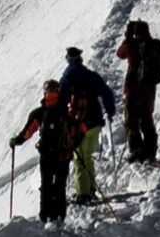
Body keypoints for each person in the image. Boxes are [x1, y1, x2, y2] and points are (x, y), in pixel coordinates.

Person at [8, 80, 75, 223]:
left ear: (45, 93)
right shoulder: (64, 111)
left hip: (47, 156)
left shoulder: (39, 113)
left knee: (46, 186)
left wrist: (16, 141)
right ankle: (60, 216)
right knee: (60, 186)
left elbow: (27, 133)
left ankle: (46, 216)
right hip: (63, 155)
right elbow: (74, 131)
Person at [59, 46, 117, 201]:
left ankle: (83, 194)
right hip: (96, 122)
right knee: (88, 157)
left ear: (68, 59)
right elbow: (106, 93)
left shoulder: (67, 77)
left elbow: (61, 100)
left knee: (80, 160)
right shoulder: (90, 75)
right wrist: (110, 111)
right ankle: (90, 189)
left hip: (79, 125)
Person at [116, 20, 160, 164]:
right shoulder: (156, 44)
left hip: (133, 89)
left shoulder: (131, 45)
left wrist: (127, 37)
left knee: (131, 120)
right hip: (149, 89)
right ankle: (150, 149)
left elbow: (120, 54)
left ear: (135, 32)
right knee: (146, 119)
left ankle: (137, 150)